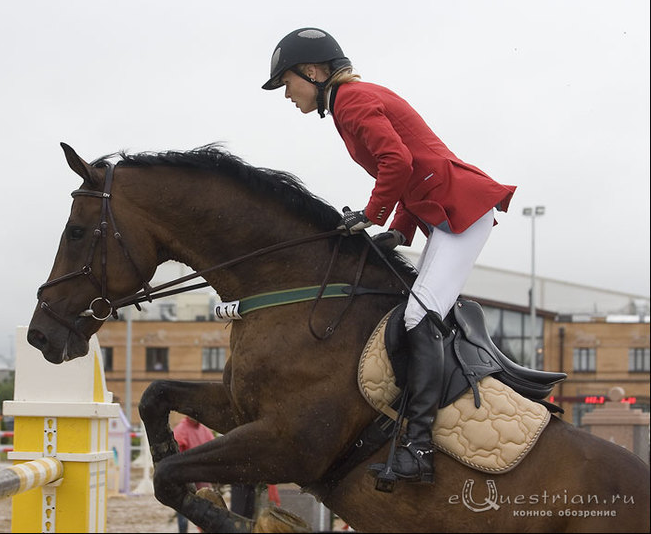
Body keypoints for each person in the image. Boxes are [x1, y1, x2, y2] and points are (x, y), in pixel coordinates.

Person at [261, 28, 516, 484]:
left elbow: (397, 162)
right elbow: (410, 168)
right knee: (415, 311)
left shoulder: (352, 101)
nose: (287, 95)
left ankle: (418, 449)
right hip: (442, 212)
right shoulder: (347, 102)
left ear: (314, 72)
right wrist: (398, 231)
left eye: (287, 83)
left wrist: (371, 215)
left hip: (460, 211)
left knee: (420, 319)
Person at [172, 416, 216, 533]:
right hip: (186, 479)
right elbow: (176, 457)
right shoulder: (181, 430)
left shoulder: (204, 431)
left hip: (202, 479)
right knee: (184, 513)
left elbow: (214, 450)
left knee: (205, 513)